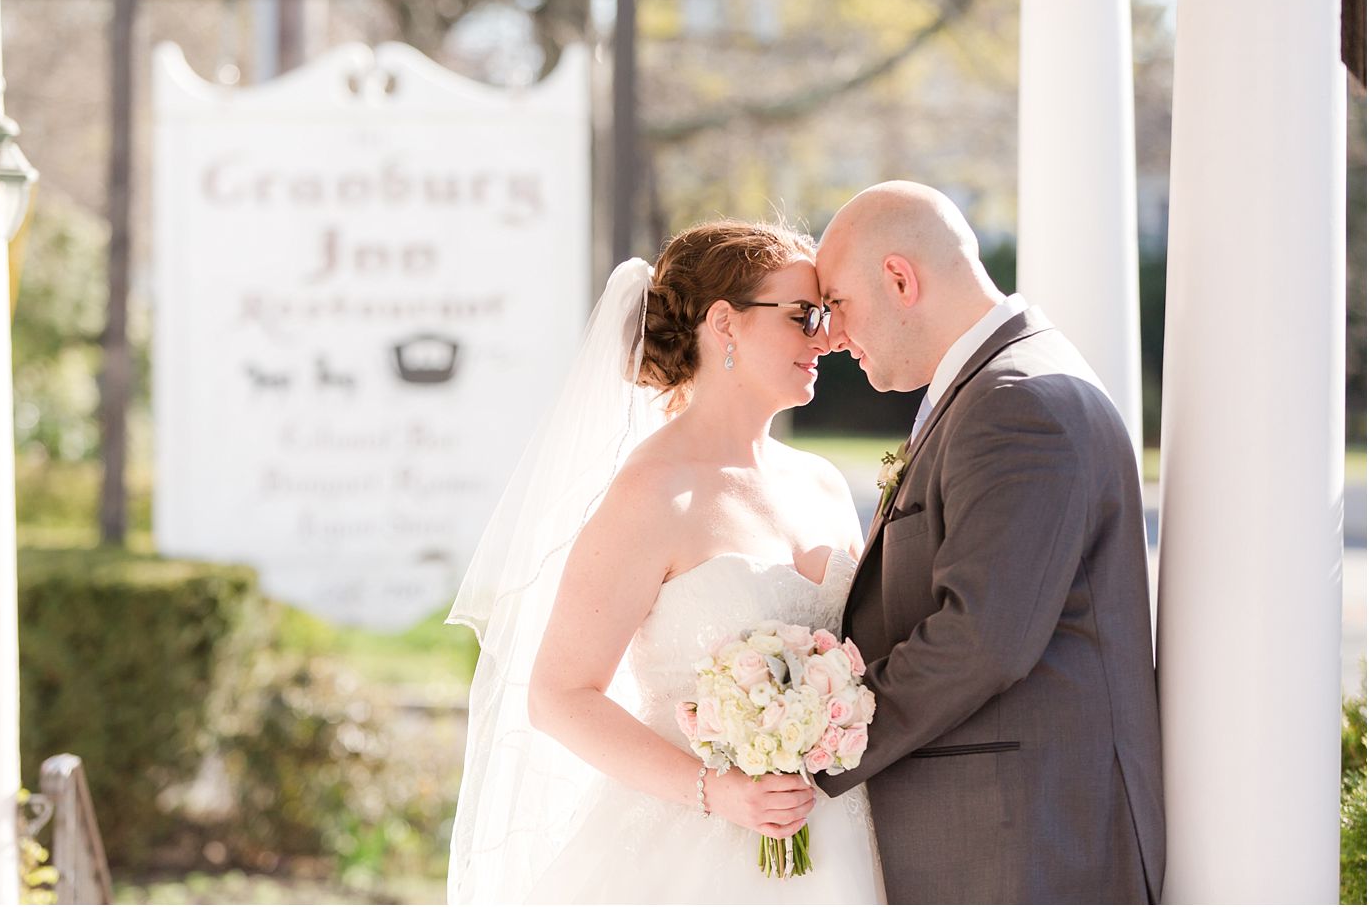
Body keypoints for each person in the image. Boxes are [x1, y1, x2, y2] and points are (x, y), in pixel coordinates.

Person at [447, 220, 885, 904]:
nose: (824, 339)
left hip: (839, 838)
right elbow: (559, 694)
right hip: (695, 852)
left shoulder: (826, 484)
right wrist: (721, 792)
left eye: (825, 317)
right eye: (803, 316)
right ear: (725, 324)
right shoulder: (654, 492)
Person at [812, 181, 1166, 904]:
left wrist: (819, 739)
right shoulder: (998, 388)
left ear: (900, 278)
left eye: (836, 305)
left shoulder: (1016, 404)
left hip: (1025, 849)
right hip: (1009, 836)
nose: (832, 335)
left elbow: (983, 638)